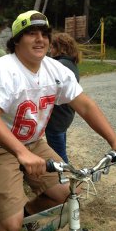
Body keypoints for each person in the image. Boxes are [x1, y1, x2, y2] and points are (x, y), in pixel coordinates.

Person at [0, 10, 116, 231]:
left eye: (44, 34)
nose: (40, 39)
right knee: (11, 227)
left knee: (71, 192)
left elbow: (85, 105)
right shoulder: (2, 70)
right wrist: (20, 152)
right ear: (16, 40)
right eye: (31, 34)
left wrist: (115, 141)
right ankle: (16, 220)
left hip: (33, 143)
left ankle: (27, 212)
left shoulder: (56, 69)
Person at [45, 32, 80, 163]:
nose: (50, 51)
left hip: (56, 117)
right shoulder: (71, 63)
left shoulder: (59, 65)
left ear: (60, 48)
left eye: (52, 47)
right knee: (61, 145)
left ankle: (67, 177)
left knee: (58, 156)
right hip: (66, 114)